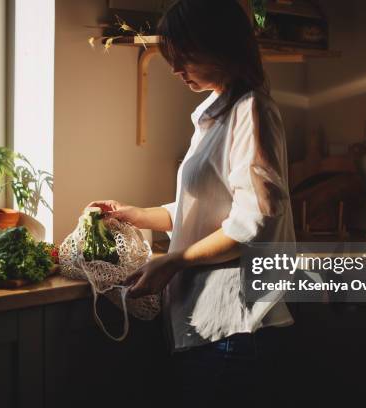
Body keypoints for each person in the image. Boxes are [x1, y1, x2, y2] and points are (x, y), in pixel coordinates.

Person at [87, 0, 296, 405]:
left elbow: (254, 224)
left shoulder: (251, 111)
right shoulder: (215, 113)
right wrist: (135, 214)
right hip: (209, 324)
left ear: (221, 48)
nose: (175, 69)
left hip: (236, 324)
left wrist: (175, 261)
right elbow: (203, 211)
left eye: (184, 57)